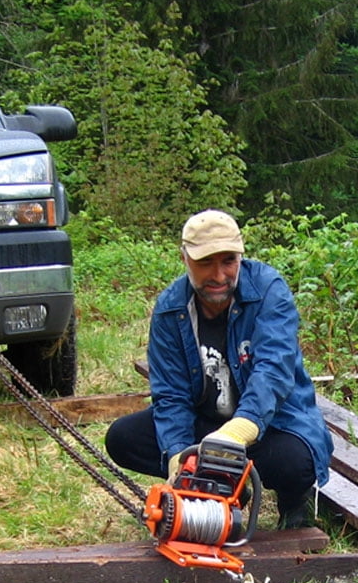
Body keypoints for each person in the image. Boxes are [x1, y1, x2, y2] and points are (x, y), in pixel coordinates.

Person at [105, 209, 333, 528]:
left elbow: (273, 371)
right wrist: (178, 459)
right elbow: (171, 396)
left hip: (272, 423)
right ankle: (217, 489)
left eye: (228, 261)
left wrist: (238, 432)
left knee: (297, 461)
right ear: (184, 258)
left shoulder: (269, 290)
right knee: (123, 437)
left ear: (241, 256)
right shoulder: (170, 309)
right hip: (207, 421)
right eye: (205, 263)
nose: (219, 275)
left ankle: (294, 501)